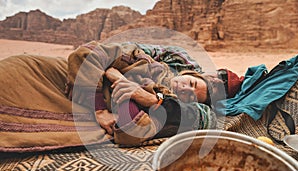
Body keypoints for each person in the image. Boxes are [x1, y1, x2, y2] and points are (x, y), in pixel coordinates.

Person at [65, 40, 217, 145]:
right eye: (191, 83)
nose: (184, 88)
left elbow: (205, 117)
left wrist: (151, 99)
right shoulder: (155, 64)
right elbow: (86, 54)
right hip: (87, 75)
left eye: (189, 96)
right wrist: (100, 110)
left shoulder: (165, 103)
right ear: (188, 73)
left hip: (97, 86)